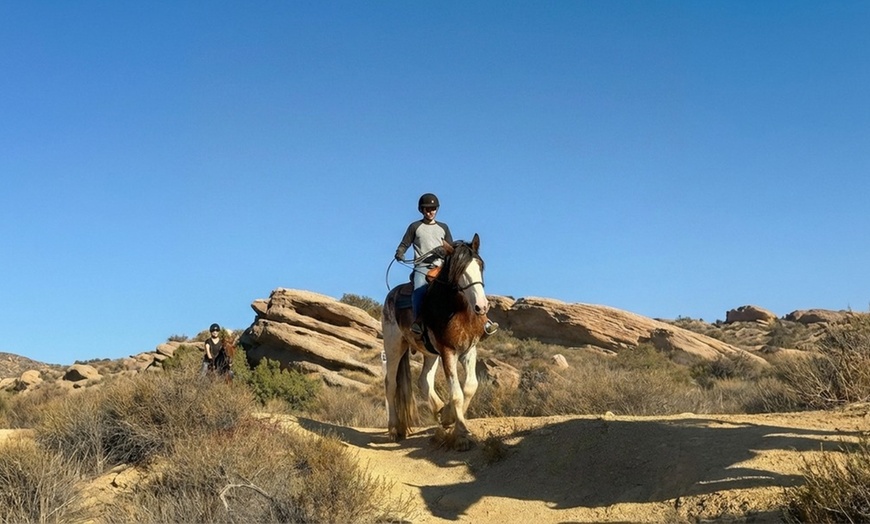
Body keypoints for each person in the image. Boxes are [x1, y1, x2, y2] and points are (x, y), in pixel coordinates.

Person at [394, 193, 498, 337]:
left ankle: (484, 321)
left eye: (433, 208)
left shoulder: (443, 227)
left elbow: (451, 249)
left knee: (464, 287)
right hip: (422, 267)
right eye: (427, 209)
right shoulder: (415, 227)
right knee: (419, 290)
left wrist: (442, 251)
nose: (430, 211)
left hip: (441, 266)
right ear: (421, 210)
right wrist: (400, 252)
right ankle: (419, 322)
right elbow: (405, 243)